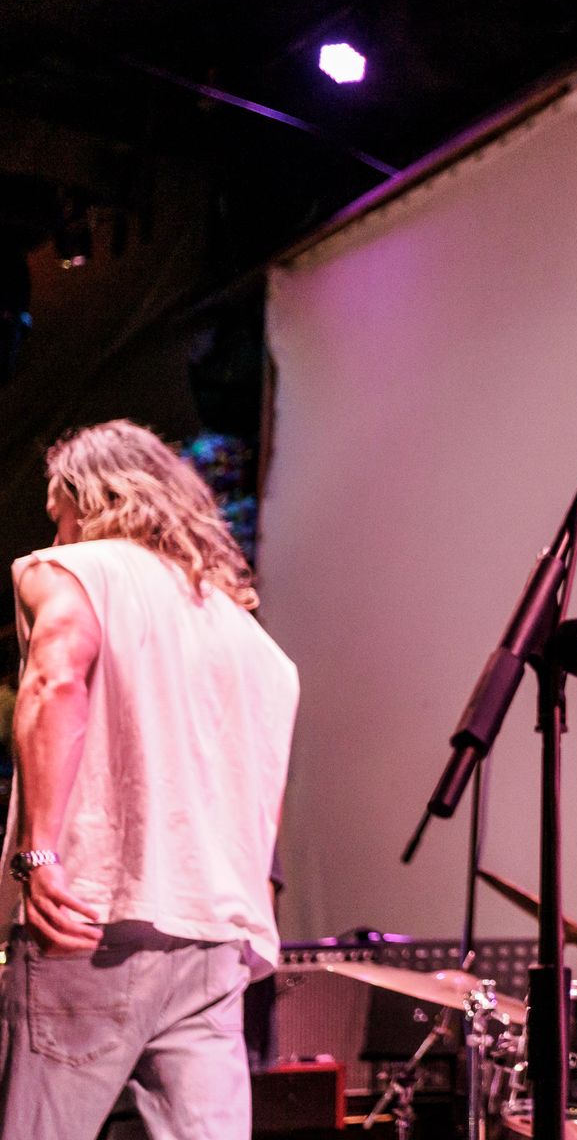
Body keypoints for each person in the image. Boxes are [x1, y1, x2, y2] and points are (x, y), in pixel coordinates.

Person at [0, 419, 298, 1139]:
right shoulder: (249, 637)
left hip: (93, 920)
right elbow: (262, 801)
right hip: (214, 943)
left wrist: (40, 852)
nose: (58, 532)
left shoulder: (71, 571)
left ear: (86, 500)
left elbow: (55, 680)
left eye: (59, 514)